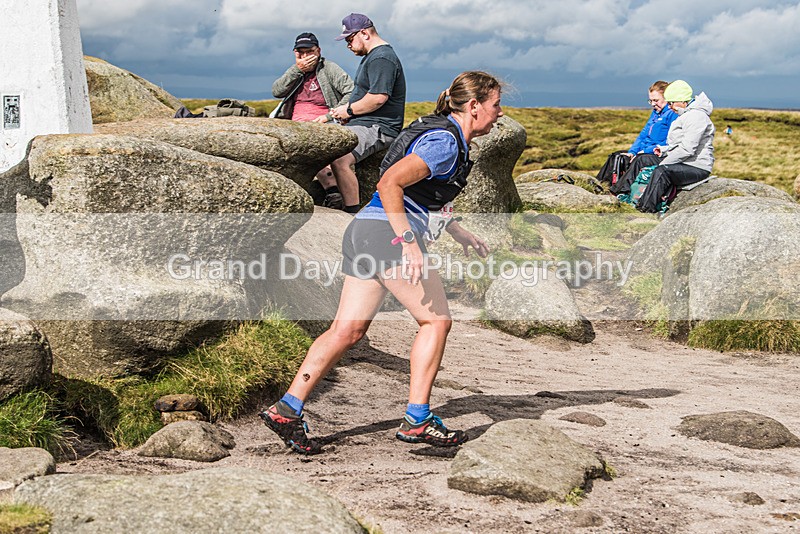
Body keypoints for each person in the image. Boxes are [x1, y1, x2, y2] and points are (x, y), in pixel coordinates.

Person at [260, 71, 503, 455]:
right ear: (474, 106)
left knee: (346, 332)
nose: (500, 113)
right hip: (386, 237)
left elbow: (424, 196)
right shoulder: (445, 141)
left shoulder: (444, 136)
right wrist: (409, 243)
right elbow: (389, 183)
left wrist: (458, 232)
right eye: (495, 105)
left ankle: (287, 409)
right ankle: (417, 419)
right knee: (436, 322)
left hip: (363, 232)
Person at [327, 13, 406, 214]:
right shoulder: (374, 56)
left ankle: (351, 213)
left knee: (339, 159)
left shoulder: (382, 58)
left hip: (379, 127)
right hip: (364, 123)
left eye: (349, 39)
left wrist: (348, 110)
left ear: (364, 33)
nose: (348, 45)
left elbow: (378, 97)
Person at [271, 32, 354, 209]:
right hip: (295, 123)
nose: (305, 56)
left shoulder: (329, 69)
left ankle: (333, 192)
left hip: (322, 121)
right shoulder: (296, 71)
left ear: (318, 51)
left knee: (313, 149)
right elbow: (277, 90)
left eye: (310, 52)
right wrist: (297, 69)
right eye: (300, 53)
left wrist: (332, 115)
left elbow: (351, 91)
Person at [635, 79, 715, 213]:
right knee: (644, 159)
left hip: (696, 166)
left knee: (662, 171)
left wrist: (664, 163)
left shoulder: (697, 117)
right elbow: (680, 144)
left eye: (671, 103)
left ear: (683, 101)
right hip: (684, 162)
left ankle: (645, 210)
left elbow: (687, 149)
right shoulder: (687, 115)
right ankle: (627, 195)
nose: (670, 107)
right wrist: (664, 150)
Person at [606, 81, 677, 194]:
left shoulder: (672, 114)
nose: (653, 104)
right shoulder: (655, 113)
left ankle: (619, 192)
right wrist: (633, 151)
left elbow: (670, 141)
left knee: (639, 160)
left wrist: (644, 151)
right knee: (617, 156)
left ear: (667, 98)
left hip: (657, 153)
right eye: (651, 100)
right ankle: (601, 185)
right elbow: (643, 135)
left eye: (656, 100)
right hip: (644, 151)